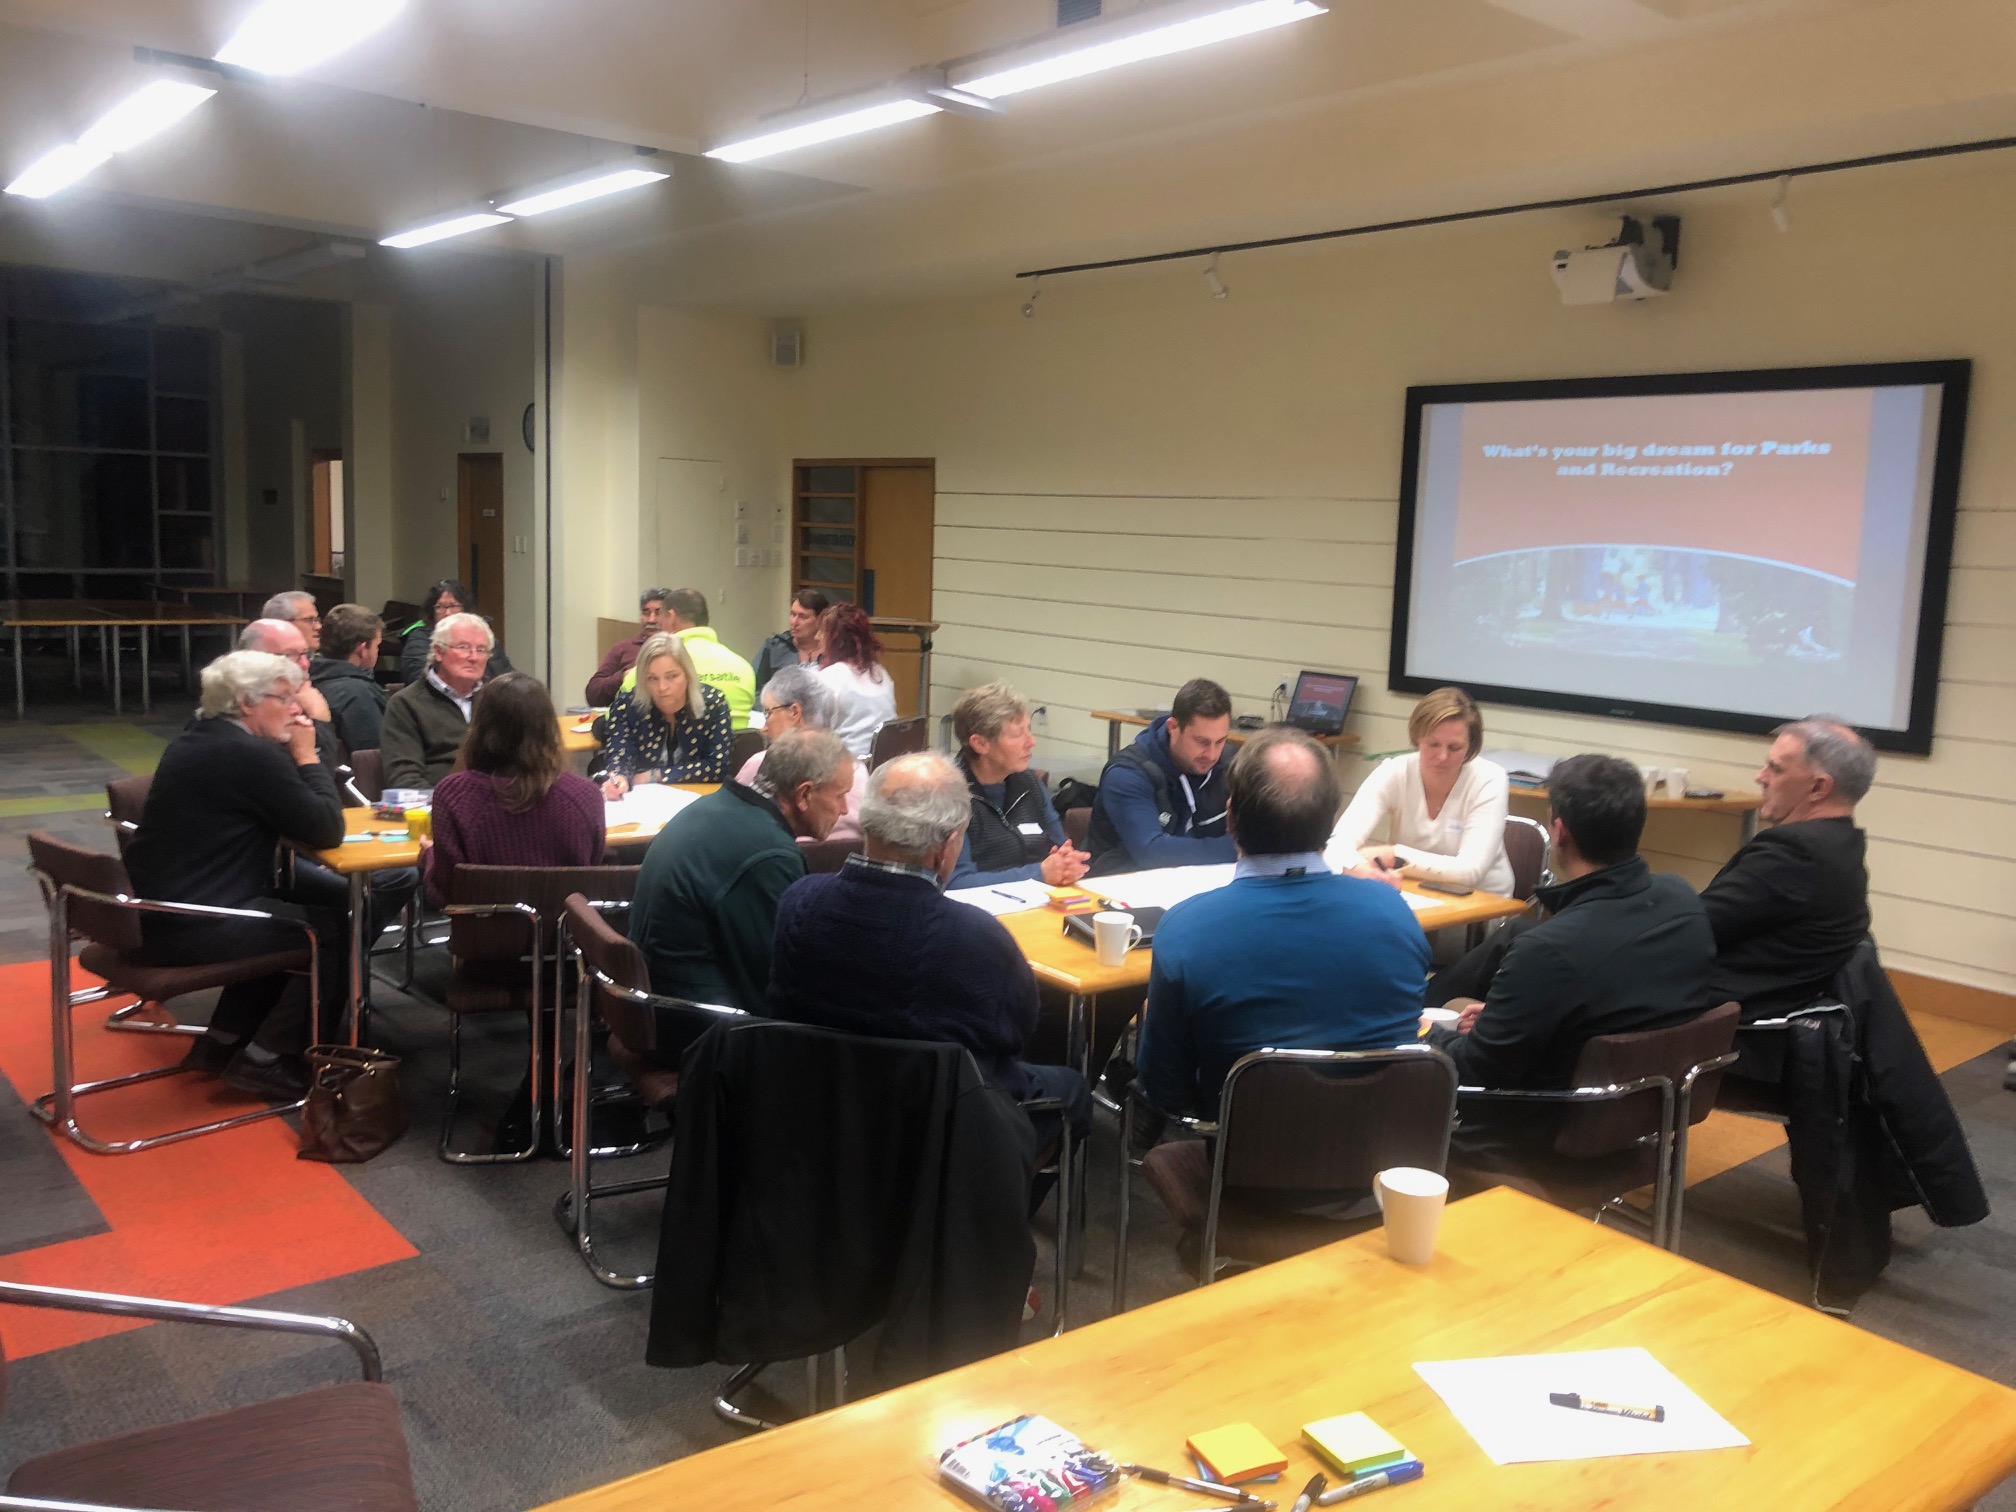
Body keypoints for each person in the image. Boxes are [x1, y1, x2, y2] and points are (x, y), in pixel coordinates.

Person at [768, 751, 1091, 1141]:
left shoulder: (798, 902)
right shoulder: (976, 936)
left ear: (867, 822)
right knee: (1072, 1087)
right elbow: (1016, 1033)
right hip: (943, 1128)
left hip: (817, 1110)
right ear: (947, 845)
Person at [1424, 754, 1718, 1160]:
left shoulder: (1548, 950)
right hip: (1645, 1113)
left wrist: (1426, 1031)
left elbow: (1473, 1072)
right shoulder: (1683, 899)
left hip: (1540, 1126)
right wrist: (1503, 1022)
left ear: (1559, 831)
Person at [1136, 727, 1428, 1120]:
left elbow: (1165, 1087)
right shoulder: (1394, 912)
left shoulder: (1186, 929)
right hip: (1384, 1145)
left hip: (1242, 1148)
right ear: (1331, 821)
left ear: (1230, 818)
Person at [123, 651, 347, 1100]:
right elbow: (326, 828)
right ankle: (267, 1059)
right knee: (334, 929)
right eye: (285, 698)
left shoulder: (199, 736)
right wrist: (306, 756)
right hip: (191, 924)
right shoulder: (250, 754)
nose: (296, 709)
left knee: (302, 908)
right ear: (247, 702)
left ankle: (222, 1040)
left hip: (153, 913)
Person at [629, 728, 855, 1010]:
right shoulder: (768, 856)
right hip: (700, 1022)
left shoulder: (712, 805)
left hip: (658, 997)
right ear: (804, 794)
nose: (845, 809)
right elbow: (779, 984)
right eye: (840, 795)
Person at [1699, 717, 1874, 1022]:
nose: (1760, 777)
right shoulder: (1844, 844)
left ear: (1818, 787)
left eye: (1776, 769)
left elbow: (1694, 929)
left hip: (1718, 1016)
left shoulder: (1793, 854)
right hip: (1769, 1003)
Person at [421, 674, 606, 909]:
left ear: (480, 727)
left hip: (482, 930)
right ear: (550, 727)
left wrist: (430, 857)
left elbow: (443, 894)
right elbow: (591, 874)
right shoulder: (586, 795)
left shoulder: (452, 795)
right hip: (566, 928)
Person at [1325, 685, 1513, 896]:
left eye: (1454, 748)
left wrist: (1394, 854)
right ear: (1417, 738)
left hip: (1483, 902)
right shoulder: (1394, 771)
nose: (1442, 756)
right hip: (1413, 893)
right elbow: (1337, 846)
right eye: (1433, 744)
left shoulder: (1489, 779)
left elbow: (1471, 871)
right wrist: (1357, 868)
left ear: (1471, 746)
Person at [1085, 677, 1235, 876]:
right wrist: (1241, 847)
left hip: (1198, 880)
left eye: (1220, 741)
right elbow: (1152, 852)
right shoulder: (1127, 774)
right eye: (1201, 741)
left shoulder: (1228, 766)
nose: (1212, 754)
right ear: (1173, 727)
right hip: (1118, 883)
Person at [947, 681, 1088, 890]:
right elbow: (956, 882)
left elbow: (1060, 847)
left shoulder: (1029, 782)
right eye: (1017, 734)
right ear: (980, 744)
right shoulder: (949, 794)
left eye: (1029, 730)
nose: (1031, 741)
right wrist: (1039, 873)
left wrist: (1067, 862)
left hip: (1040, 900)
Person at [735, 664, 866, 846]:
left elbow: (735, 821)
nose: (764, 728)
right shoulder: (858, 768)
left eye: (768, 713)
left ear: (794, 712)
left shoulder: (763, 763)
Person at [600, 631, 733, 796]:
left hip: (697, 798)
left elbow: (717, 767)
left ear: (688, 675)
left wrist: (654, 775)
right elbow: (620, 753)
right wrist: (618, 777)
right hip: (642, 798)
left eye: (672, 676)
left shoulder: (713, 703)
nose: (662, 687)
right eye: (652, 678)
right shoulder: (627, 705)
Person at [615, 588, 757, 731]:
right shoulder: (744, 668)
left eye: (661, 616)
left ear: (670, 616)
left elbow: (617, 718)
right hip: (734, 745)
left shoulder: (649, 669)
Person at [380, 611, 492, 788]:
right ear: (439, 652)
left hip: (498, 799)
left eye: (481, 649)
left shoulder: (497, 699)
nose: (473, 657)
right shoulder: (406, 704)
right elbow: (405, 780)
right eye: (463, 647)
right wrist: (448, 801)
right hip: (440, 800)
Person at [815, 602, 897, 760]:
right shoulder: (882, 674)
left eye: (822, 632)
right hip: (883, 764)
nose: (817, 637)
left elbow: (814, 734)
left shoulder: (830, 678)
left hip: (843, 766)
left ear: (837, 640)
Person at [397, 579, 511, 685]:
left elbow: (506, 675)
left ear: (465, 609)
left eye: (453, 606)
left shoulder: (482, 635)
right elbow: (417, 678)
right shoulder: (420, 638)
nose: (447, 613)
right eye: (440, 607)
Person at [310, 604, 388, 757]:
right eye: (377, 646)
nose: (377, 651)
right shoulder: (358, 695)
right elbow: (374, 754)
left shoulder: (307, 680)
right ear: (363, 650)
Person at [584, 588, 670, 707]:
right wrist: (624, 677)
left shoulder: (680, 648)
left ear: (670, 616)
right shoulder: (623, 649)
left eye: (658, 613)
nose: (651, 620)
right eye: (646, 613)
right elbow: (593, 694)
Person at [749, 588, 828, 700]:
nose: (794, 622)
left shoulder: (832, 651)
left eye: (803, 617)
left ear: (820, 620)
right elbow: (753, 688)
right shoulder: (774, 648)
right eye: (792, 614)